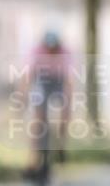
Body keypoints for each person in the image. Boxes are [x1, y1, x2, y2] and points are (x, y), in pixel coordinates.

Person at [23, 29, 73, 173]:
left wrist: (68, 102)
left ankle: (61, 144)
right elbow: (28, 77)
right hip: (41, 81)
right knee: (37, 119)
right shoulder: (36, 52)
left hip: (58, 81)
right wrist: (24, 96)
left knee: (64, 112)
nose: (51, 52)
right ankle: (33, 158)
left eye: (54, 49)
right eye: (49, 48)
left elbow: (69, 82)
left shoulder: (65, 53)